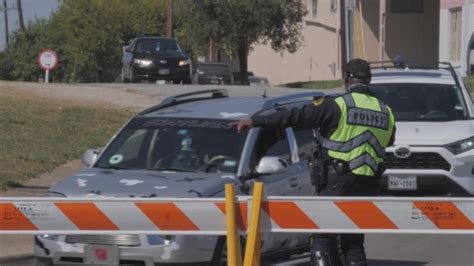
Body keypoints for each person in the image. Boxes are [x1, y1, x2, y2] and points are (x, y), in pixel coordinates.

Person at [233, 58, 396, 266]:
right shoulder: (386, 112)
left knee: (322, 236)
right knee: (353, 242)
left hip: (337, 181)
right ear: (369, 80)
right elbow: (389, 140)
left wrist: (256, 121)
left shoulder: (337, 105)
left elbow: (296, 117)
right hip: (367, 185)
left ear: (346, 79)